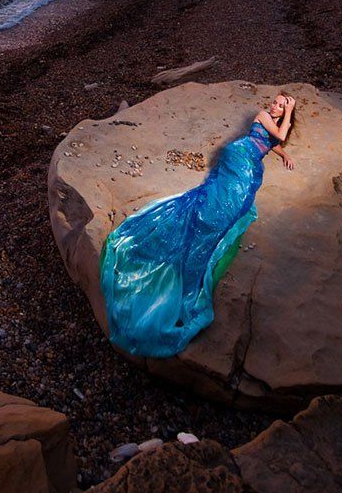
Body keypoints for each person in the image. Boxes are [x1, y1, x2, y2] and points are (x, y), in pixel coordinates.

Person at [99, 93, 296, 358]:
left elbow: (272, 142)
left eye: (280, 105)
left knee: (232, 204)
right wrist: (290, 111)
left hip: (247, 159)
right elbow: (279, 135)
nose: (273, 105)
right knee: (225, 207)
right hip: (239, 156)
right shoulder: (263, 115)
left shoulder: (271, 123)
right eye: (275, 101)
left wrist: (283, 154)